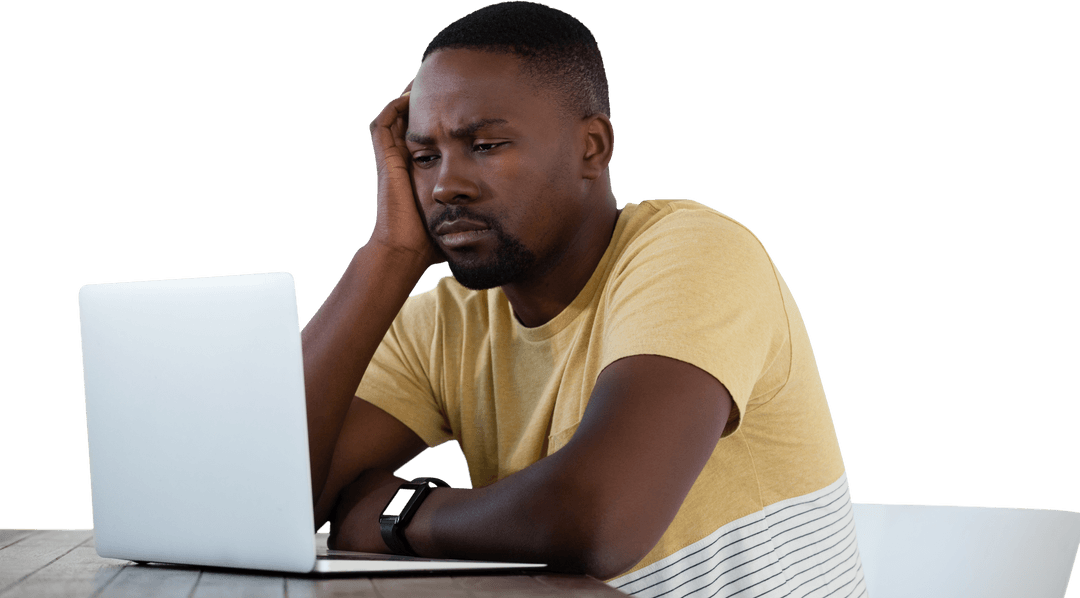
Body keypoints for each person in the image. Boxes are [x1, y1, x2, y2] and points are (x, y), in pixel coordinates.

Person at [301, 2, 867, 596]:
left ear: (592, 147)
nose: (446, 185)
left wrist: (401, 515)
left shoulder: (695, 254)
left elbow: (599, 518)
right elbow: (267, 494)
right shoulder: (446, 324)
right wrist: (389, 255)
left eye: (486, 145)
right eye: (423, 158)